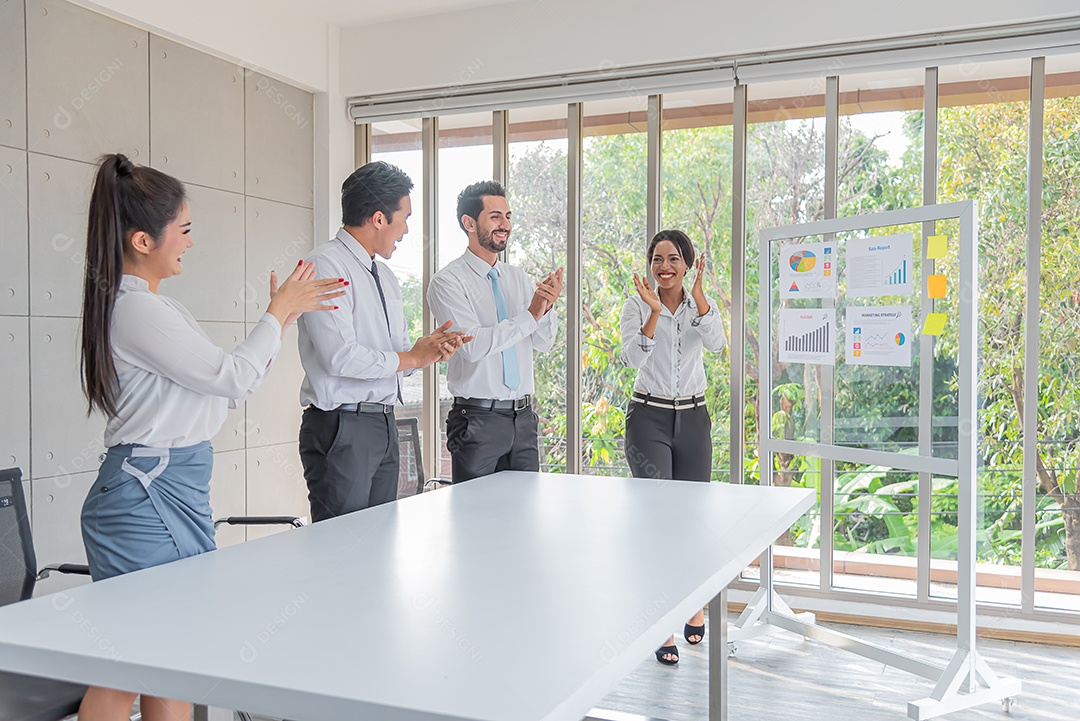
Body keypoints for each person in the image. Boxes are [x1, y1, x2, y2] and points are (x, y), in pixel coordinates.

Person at [77, 154, 345, 720]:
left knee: (167, 656)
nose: (191, 243)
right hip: (145, 495)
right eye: (186, 230)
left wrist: (282, 320)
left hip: (168, 485)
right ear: (144, 240)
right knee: (131, 662)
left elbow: (230, 388)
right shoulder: (137, 312)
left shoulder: (156, 307)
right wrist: (276, 313)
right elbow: (231, 376)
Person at [297, 161, 468, 521]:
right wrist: (411, 358)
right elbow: (339, 358)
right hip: (342, 428)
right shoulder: (325, 266)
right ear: (378, 218)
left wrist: (427, 351)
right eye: (403, 217)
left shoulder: (385, 277)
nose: (406, 230)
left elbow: (397, 356)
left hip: (384, 424)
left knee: (380, 546)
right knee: (342, 551)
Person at [619, 229, 727, 666]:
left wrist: (700, 298)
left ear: (687, 263)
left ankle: (695, 606)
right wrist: (652, 311)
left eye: (673, 259)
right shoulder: (636, 305)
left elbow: (719, 344)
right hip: (649, 419)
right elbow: (631, 358)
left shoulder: (701, 307)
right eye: (657, 259)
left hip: (693, 420)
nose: (664, 266)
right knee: (658, 524)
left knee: (692, 521)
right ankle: (663, 624)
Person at [427, 180, 563, 482]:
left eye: (508, 216)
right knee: (477, 519)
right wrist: (531, 314)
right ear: (469, 223)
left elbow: (543, 342)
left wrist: (547, 308)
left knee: (525, 516)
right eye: (495, 216)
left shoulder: (517, 278)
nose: (506, 225)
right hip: (477, 421)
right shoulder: (448, 282)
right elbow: (473, 346)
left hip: (524, 420)